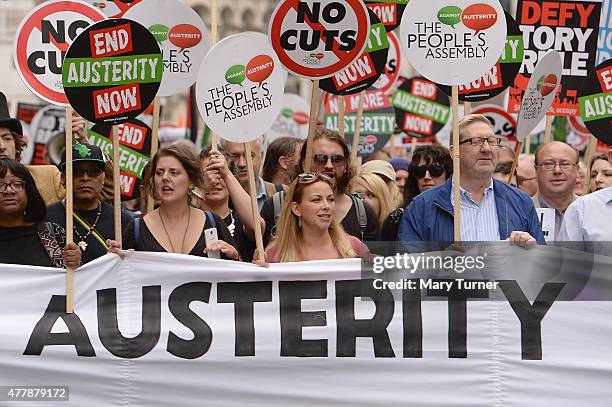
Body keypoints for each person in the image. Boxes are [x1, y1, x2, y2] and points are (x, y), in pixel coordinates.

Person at [397, 114, 544, 245]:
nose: (486, 148)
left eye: (492, 141)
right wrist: (441, 264)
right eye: (475, 141)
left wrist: (531, 252)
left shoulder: (521, 201)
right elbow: (407, 266)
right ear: (455, 152)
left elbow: (541, 267)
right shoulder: (421, 207)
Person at [260, 127, 380, 245]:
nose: (329, 165)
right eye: (320, 158)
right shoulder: (276, 206)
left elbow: (370, 262)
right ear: (304, 162)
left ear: (345, 165)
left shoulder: (363, 213)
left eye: (337, 159)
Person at [123, 144, 239, 260]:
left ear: (190, 181)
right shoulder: (137, 229)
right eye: (159, 172)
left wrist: (234, 256)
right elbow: (120, 273)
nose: (165, 178)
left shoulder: (213, 222)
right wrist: (117, 257)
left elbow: (238, 274)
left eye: (173, 172)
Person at [46, 144, 134, 264]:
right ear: (62, 178)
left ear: (103, 178)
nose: (85, 178)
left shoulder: (122, 221)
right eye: (76, 171)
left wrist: (120, 259)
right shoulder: (45, 218)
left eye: (94, 171)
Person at [264, 173, 366, 262]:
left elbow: (377, 276)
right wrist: (259, 269)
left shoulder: (354, 247)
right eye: (316, 200)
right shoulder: (275, 254)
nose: (326, 206)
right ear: (296, 209)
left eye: (330, 199)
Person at [0, 158, 80, 268]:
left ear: (29, 191)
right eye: (0, 184)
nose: (9, 191)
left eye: (17, 184)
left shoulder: (53, 235)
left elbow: (77, 281)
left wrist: (75, 264)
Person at [198, 145, 263, 262]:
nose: (214, 181)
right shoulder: (188, 219)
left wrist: (227, 174)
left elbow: (257, 225)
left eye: (220, 174)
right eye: (208, 174)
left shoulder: (242, 220)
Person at [380, 145, 452, 241]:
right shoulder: (397, 218)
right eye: (420, 171)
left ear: (447, 173)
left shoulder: (461, 212)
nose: (427, 176)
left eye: (435, 170)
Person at [559, 148, 612, 253]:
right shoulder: (581, 209)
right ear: (611, 157)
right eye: (593, 175)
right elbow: (567, 264)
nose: (598, 180)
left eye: (607, 174)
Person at [531, 142, 579, 240]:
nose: (557, 170)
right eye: (548, 164)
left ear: (577, 170)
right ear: (536, 170)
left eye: (565, 164)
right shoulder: (521, 211)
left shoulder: (590, 211)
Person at [224, 139, 281, 210]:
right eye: (235, 156)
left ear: (262, 156)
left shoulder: (281, 196)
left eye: (249, 156)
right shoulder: (219, 199)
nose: (242, 164)